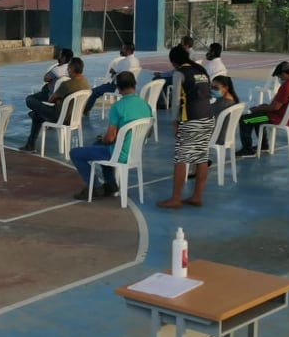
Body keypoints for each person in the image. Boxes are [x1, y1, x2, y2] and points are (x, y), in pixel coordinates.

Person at [69, 71, 152, 200]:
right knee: (98, 146)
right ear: (134, 84)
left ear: (118, 87)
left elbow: (110, 138)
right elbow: (148, 133)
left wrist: (104, 138)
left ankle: (95, 187)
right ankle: (110, 184)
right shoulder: (146, 105)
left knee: (75, 153)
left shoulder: (118, 107)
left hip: (119, 154)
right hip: (134, 152)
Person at [157, 46, 214, 209]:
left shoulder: (179, 73)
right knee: (201, 157)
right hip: (208, 117)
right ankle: (197, 196)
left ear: (174, 61)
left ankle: (175, 199)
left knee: (181, 159)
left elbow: (176, 102)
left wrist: (175, 123)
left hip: (191, 118)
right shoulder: (201, 70)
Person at [236, 61, 289, 157]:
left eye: (280, 76)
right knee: (257, 116)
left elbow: (275, 107)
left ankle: (247, 150)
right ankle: (264, 145)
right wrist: (262, 108)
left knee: (245, 120)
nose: (280, 79)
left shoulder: (287, 86)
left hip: (277, 118)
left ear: (284, 73)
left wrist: (258, 108)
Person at [22, 57, 90, 152]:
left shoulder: (67, 84)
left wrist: (57, 100)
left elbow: (50, 100)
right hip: (74, 118)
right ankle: (30, 144)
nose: (67, 70)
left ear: (72, 69)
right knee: (37, 116)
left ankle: (30, 145)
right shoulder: (85, 82)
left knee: (29, 100)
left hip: (59, 116)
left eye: (68, 68)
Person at [83, 42, 140, 115]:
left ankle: (85, 111)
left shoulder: (124, 61)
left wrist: (115, 73)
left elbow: (112, 70)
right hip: (128, 86)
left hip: (116, 87)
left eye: (123, 49)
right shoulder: (136, 61)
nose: (121, 50)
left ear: (128, 51)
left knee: (93, 92)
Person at [154, 36, 195, 108]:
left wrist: (162, 75)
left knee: (156, 80)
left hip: (181, 78)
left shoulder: (185, 55)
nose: (180, 44)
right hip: (186, 77)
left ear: (186, 45)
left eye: (181, 42)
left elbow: (176, 72)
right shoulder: (192, 53)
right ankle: (166, 101)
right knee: (163, 80)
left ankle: (162, 103)